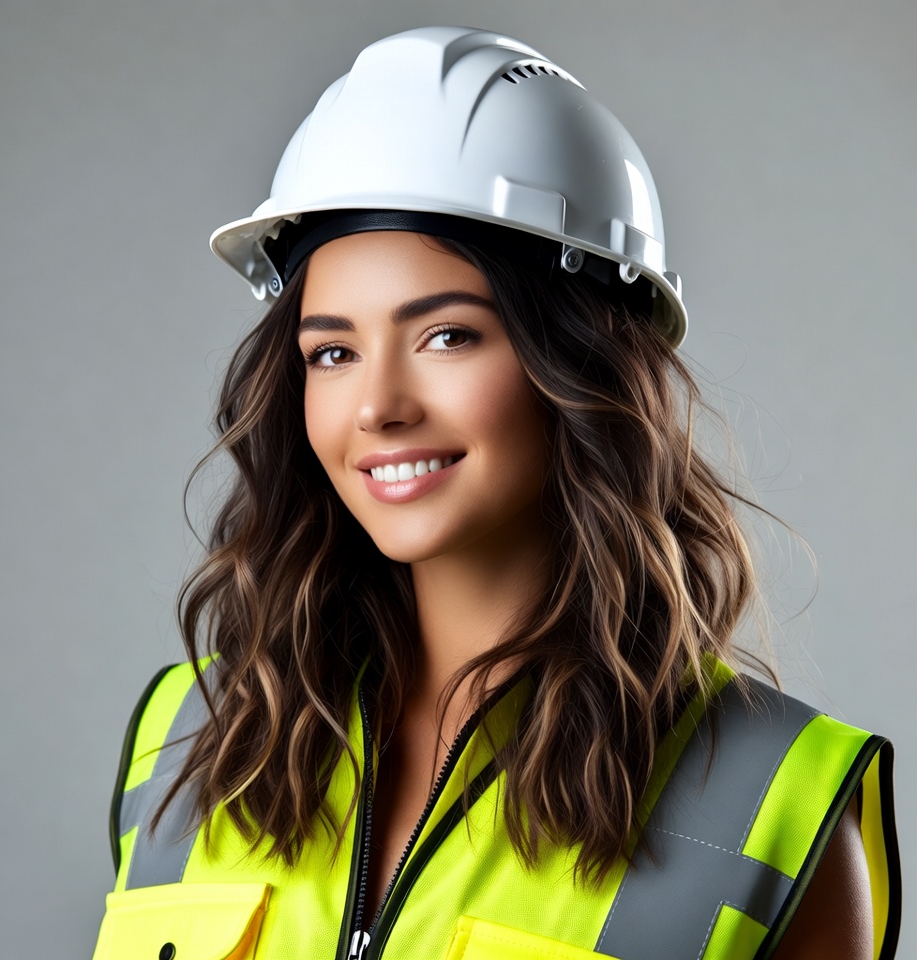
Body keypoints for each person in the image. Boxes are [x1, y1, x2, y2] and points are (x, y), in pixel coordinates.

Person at [91, 26, 900, 960]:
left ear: (583, 362)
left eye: (448, 336)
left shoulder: (773, 804)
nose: (379, 407)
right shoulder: (186, 742)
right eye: (333, 352)